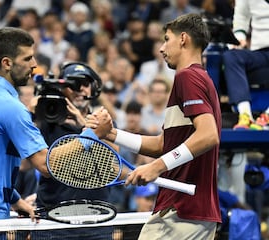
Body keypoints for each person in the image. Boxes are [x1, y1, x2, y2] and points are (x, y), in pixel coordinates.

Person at [0, 27, 112, 235]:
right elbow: (46, 165)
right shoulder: (10, 107)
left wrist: (14, 199)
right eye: (28, 58)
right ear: (7, 63)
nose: (34, 65)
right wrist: (90, 134)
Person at [88, 13, 222, 239]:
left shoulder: (188, 77)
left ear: (183, 39)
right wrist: (111, 133)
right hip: (189, 213)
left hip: (182, 212)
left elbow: (209, 135)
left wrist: (156, 167)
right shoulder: (199, 78)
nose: (161, 48)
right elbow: (163, 144)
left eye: (166, 39)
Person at [31, 61, 114, 240]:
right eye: (72, 84)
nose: (79, 89)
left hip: (97, 219)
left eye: (84, 84)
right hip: (53, 220)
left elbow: (115, 162)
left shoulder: (102, 121)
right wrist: (30, 115)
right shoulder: (45, 121)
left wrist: (84, 125)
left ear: (93, 88)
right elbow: (25, 164)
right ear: (62, 88)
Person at [222, 0, 269, 130]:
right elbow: (241, 16)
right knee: (231, 56)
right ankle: (245, 115)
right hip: (259, 52)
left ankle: (267, 116)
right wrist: (239, 37)